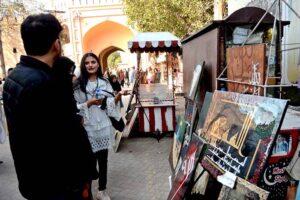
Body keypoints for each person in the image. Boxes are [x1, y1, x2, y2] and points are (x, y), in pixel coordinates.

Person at [3, 13, 97, 200]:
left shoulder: (15, 76)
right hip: (57, 185)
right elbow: (66, 139)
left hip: (34, 180)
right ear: (56, 44)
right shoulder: (43, 84)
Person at [73, 53, 125, 200]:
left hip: (103, 124)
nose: (90, 65)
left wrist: (116, 98)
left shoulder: (104, 81)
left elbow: (110, 103)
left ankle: (102, 190)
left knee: (103, 160)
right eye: (87, 62)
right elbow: (74, 107)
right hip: (88, 127)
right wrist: (88, 103)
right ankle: (87, 192)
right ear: (83, 65)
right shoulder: (78, 84)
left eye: (93, 62)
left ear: (98, 64)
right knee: (89, 162)